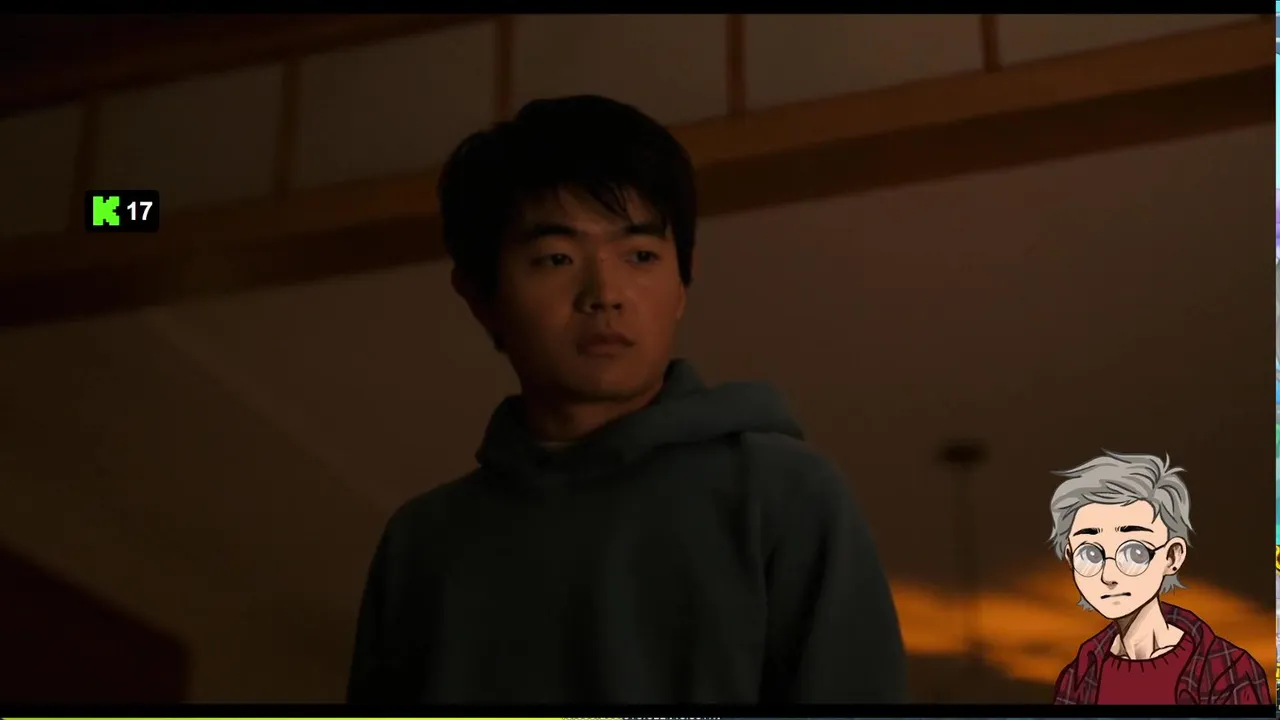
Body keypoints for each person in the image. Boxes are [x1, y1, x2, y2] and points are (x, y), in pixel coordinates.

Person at [345, 95, 906, 704]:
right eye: (556, 258)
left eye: (641, 255)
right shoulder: (423, 544)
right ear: (480, 296)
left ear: (682, 282)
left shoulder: (780, 497)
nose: (604, 293)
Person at [1049, 451, 1271, 705]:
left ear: (1172, 556)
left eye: (1134, 553)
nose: (1108, 575)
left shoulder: (1228, 673)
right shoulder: (1080, 676)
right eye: (1090, 554)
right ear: (1070, 557)